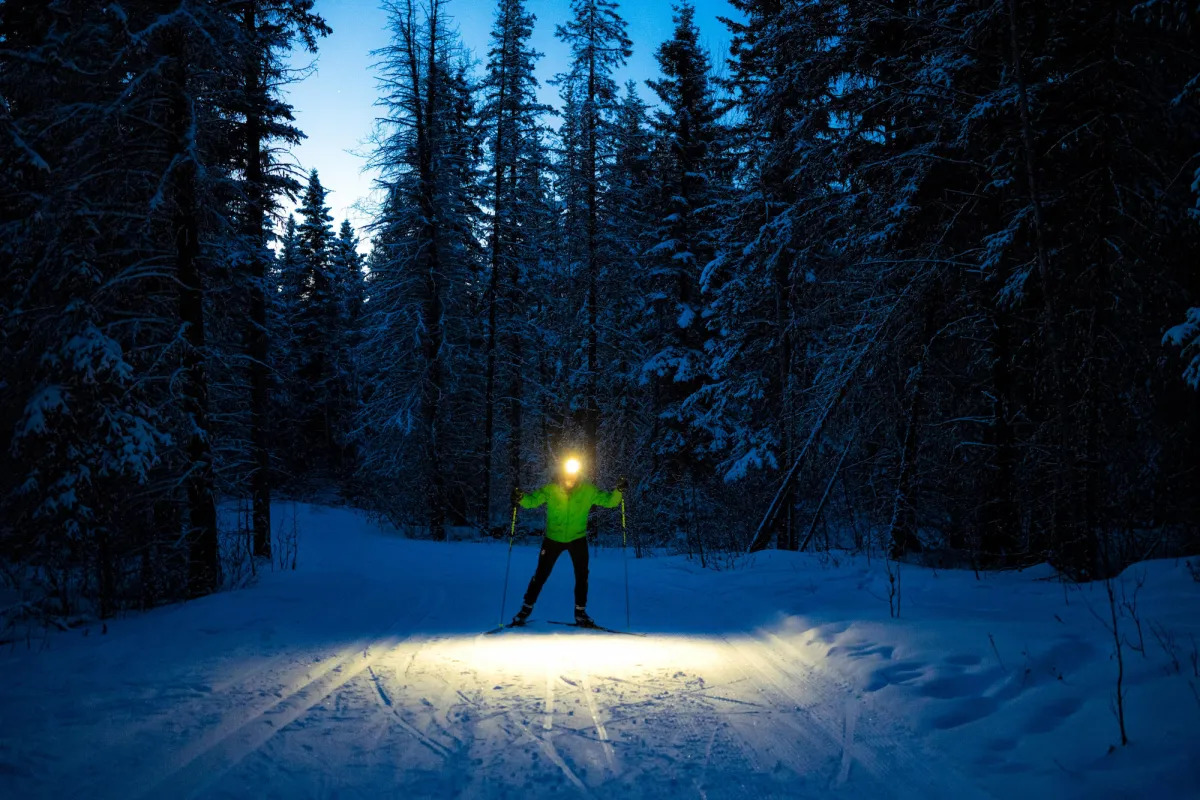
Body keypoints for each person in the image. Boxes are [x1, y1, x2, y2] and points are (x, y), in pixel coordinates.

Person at [509, 458, 627, 628]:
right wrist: (520, 498)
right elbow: (532, 500)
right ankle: (525, 609)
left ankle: (580, 613)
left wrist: (618, 491)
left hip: (577, 538)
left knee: (582, 575)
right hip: (553, 538)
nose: (570, 475)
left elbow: (609, 501)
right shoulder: (551, 489)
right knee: (541, 574)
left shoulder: (587, 490)